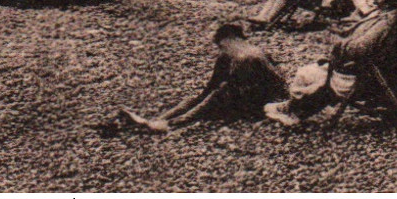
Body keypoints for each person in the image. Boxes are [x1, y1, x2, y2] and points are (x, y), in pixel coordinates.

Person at [263, 0, 397, 126]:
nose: (375, 1)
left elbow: (360, 48)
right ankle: (292, 107)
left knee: (308, 75)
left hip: (357, 76)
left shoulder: (386, 23)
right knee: (314, 73)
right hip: (378, 73)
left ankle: (294, 110)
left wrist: (341, 46)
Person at [113, 23, 289, 134]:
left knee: (217, 95)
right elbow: (210, 88)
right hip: (266, 99)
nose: (220, 49)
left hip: (266, 104)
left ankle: (169, 124)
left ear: (225, 41)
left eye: (220, 45)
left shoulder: (244, 57)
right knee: (207, 96)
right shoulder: (244, 52)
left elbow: (221, 91)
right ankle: (158, 120)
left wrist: (206, 101)